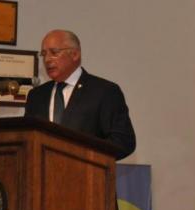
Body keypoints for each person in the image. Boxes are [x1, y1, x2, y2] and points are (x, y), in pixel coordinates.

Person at [25, 29, 136, 159]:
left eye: (54, 52)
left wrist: (85, 157)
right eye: (44, 54)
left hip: (87, 175)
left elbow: (123, 142)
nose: (47, 59)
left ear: (75, 54)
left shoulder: (104, 91)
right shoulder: (36, 95)